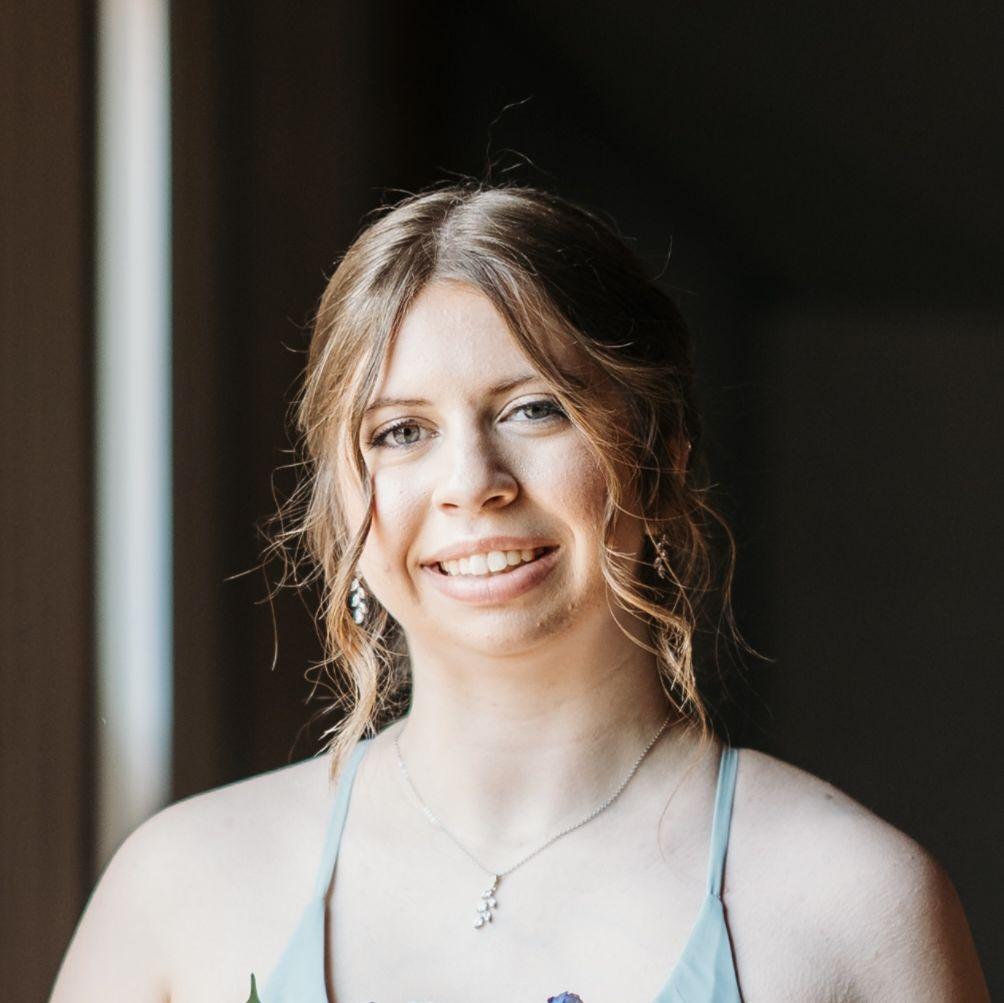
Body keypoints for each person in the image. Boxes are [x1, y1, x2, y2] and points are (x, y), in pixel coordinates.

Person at [49, 184, 990, 1003]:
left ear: (662, 453)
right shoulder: (180, 888)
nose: (472, 483)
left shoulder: (852, 903)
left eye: (534, 409)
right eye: (401, 431)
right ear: (339, 497)